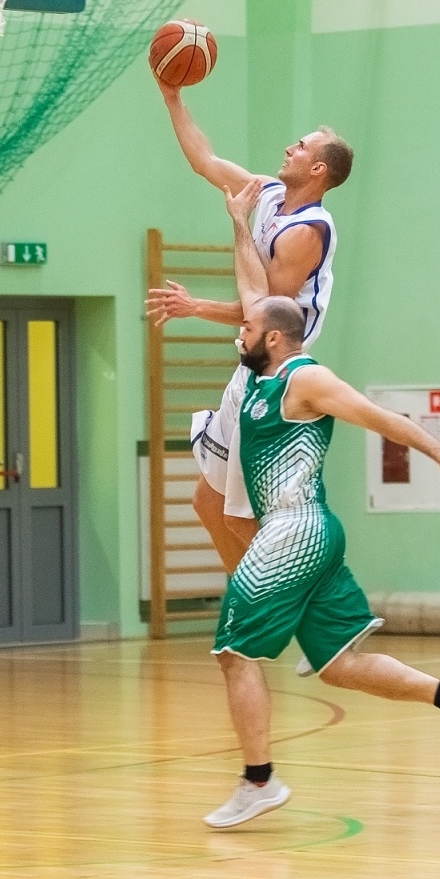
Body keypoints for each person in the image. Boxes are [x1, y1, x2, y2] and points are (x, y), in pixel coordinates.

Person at [202, 181, 440, 831]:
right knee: (339, 666)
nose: (239, 328)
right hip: (309, 535)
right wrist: (239, 221)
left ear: (274, 340)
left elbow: (381, 417)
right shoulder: (263, 367)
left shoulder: (307, 379)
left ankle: (259, 782)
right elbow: (255, 288)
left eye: (248, 328)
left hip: (294, 532)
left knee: (233, 653)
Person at [144, 79, 350, 588]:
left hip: (279, 369)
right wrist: (173, 98)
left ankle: (314, 598)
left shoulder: (307, 230)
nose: (289, 147)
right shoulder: (270, 193)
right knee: (207, 504)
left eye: (301, 146)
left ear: (318, 169)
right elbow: (206, 162)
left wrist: (198, 302)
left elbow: (263, 311)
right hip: (251, 362)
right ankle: (252, 600)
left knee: (241, 515)